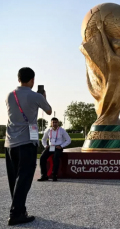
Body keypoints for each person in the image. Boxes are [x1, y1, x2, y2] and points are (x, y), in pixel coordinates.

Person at [5, 67, 52, 226]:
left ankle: (19, 208)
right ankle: (16, 214)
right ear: (32, 80)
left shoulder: (10, 95)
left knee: (15, 179)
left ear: (18, 79)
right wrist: (43, 97)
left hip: (10, 143)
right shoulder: (35, 96)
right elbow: (49, 110)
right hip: (27, 142)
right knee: (24, 178)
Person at [38, 117, 71, 182]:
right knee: (42, 158)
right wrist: (45, 145)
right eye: (53, 122)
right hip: (50, 147)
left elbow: (69, 140)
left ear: (58, 123)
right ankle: (44, 175)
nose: (54, 124)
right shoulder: (48, 130)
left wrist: (61, 146)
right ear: (51, 123)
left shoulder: (62, 130)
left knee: (55, 158)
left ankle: (54, 175)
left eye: (56, 122)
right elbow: (43, 139)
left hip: (58, 147)